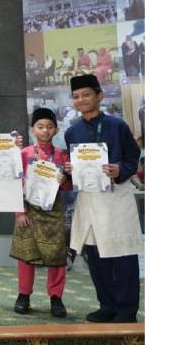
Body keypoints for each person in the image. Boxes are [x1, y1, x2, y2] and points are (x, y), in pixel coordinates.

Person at [63, 74, 142, 323]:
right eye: (76, 96)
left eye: (86, 94)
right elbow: (73, 165)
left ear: (99, 96)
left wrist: (120, 170)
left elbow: (132, 157)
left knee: (122, 254)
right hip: (89, 198)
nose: (81, 100)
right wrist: (69, 170)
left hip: (116, 197)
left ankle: (127, 310)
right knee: (95, 255)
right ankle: (106, 305)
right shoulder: (72, 131)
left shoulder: (117, 125)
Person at [9, 108, 71, 318]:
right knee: (27, 256)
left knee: (57, 256)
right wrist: (19, 213)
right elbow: (13, 183)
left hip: (53, 212)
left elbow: (68, 188)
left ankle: (56, 297)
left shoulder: (63, 155)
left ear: (56, 130)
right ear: (32, 129)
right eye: (40, 127)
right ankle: (23, 295)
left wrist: (65, 181)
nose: (45, 131)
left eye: (49, 127)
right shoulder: (23, 153)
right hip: (28, 211)